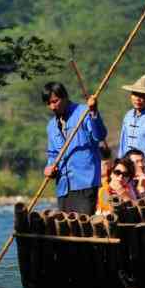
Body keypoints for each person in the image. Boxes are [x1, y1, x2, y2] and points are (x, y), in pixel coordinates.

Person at [43, 82, 107, 215]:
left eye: (55, 101)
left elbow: (100, 135)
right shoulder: (51, 126)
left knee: (84, 224)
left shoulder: (84, 112)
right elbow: (53, 154)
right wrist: (50, 167)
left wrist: (94, 111)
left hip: (86, 182)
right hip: (63, 186)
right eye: (49, 103)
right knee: (66, 225)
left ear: (65, 97)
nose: (52, 106)